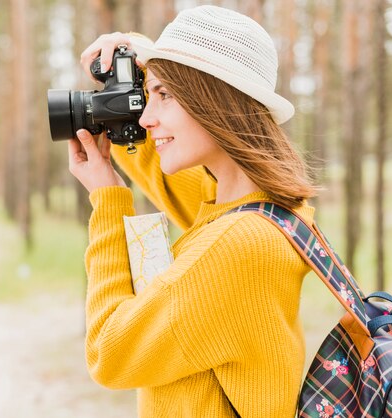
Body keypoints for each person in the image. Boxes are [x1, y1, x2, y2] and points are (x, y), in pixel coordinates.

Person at [67, 5, 317, 418]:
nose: (146, 117)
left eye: (163, 95)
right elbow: (167, 173)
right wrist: (139, 71)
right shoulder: (267, 210)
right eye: (148, 97)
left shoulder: (240, 245)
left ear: (215, 101)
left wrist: (109, 200)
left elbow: (109, 353)